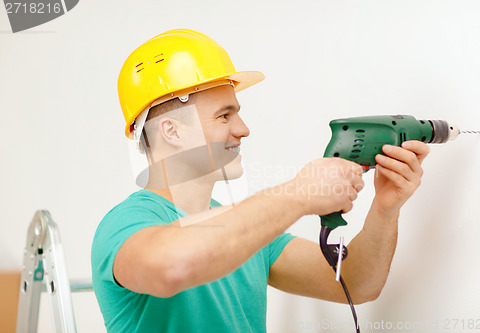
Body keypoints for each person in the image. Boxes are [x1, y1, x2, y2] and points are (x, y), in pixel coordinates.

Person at [91, 29, 430, 333]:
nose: (243, 129)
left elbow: (357, 283)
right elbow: (173, 265)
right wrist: (300, 193)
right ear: (172, 130)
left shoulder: (247, 231)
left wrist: (386, 207)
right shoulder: (126, 225)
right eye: (224, 115)